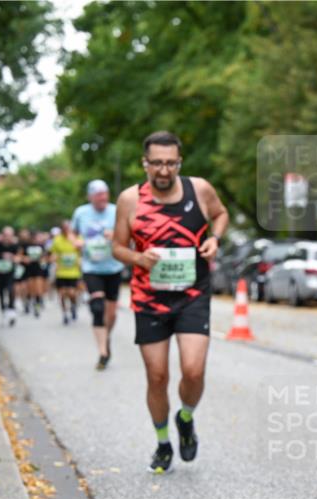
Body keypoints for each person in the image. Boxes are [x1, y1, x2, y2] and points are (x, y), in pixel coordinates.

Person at [112, 131, 229, 473]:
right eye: (157, 164)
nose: (164, 171)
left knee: (193, 371)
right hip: (149, 299)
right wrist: (137, 259)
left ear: (179, 162)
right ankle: (163, 444)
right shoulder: (129, 200)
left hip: (193, 294)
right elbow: (117, 247)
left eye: (170, 163)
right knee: (158, 376)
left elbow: (220, 215)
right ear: (144, 163)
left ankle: (186, 417)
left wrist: (214, 238)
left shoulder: (200, 190)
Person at [72, 179, 123, 370]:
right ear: (90, 197)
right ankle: (102, 352)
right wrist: (76, 241)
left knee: (111, 313)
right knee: (97, 308)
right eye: (99, 195)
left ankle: (105, 337)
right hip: (91, 267)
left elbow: (129, 233)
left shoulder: (116, 210)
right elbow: (73, 233)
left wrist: (116, 235)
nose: (103, 198)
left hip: (113, 267)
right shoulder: (81, 213)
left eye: (105, 194)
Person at [50, 221, 83, 325]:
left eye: (68, 228)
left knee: (72, 293)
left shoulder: (77, 238)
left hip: (73, 272)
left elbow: (82, 249)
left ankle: (73, 306)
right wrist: (54, 258)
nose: (66, 230)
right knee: (62, 294)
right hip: (61, 272)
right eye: (64, 228)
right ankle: (65, 314)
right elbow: (53, 253)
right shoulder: (57, 240)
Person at [0, 226, 20, 326]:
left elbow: (18, 257)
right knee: (1, 292)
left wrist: (12, 257)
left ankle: (11, 309)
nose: (7, 237)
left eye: (9, 235)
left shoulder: (14, 245)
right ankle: (3, 310)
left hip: (10, 272)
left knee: (11, 289)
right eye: (5, 235)